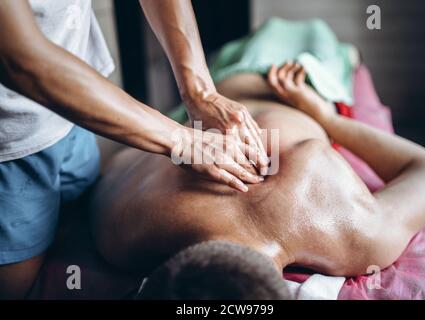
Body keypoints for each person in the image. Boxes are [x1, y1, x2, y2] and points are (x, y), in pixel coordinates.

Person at [91, 63, 425, 298]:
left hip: (273, 80)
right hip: (254, 84)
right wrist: (328, 119)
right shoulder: (123, 235)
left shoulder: (356, 234)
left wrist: (328, 120)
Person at [0, 0, 268, 299]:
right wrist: (183, 141)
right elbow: (22, 60)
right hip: (10, 142)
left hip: (79, 104)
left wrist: (200, 90)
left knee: (77, 226)